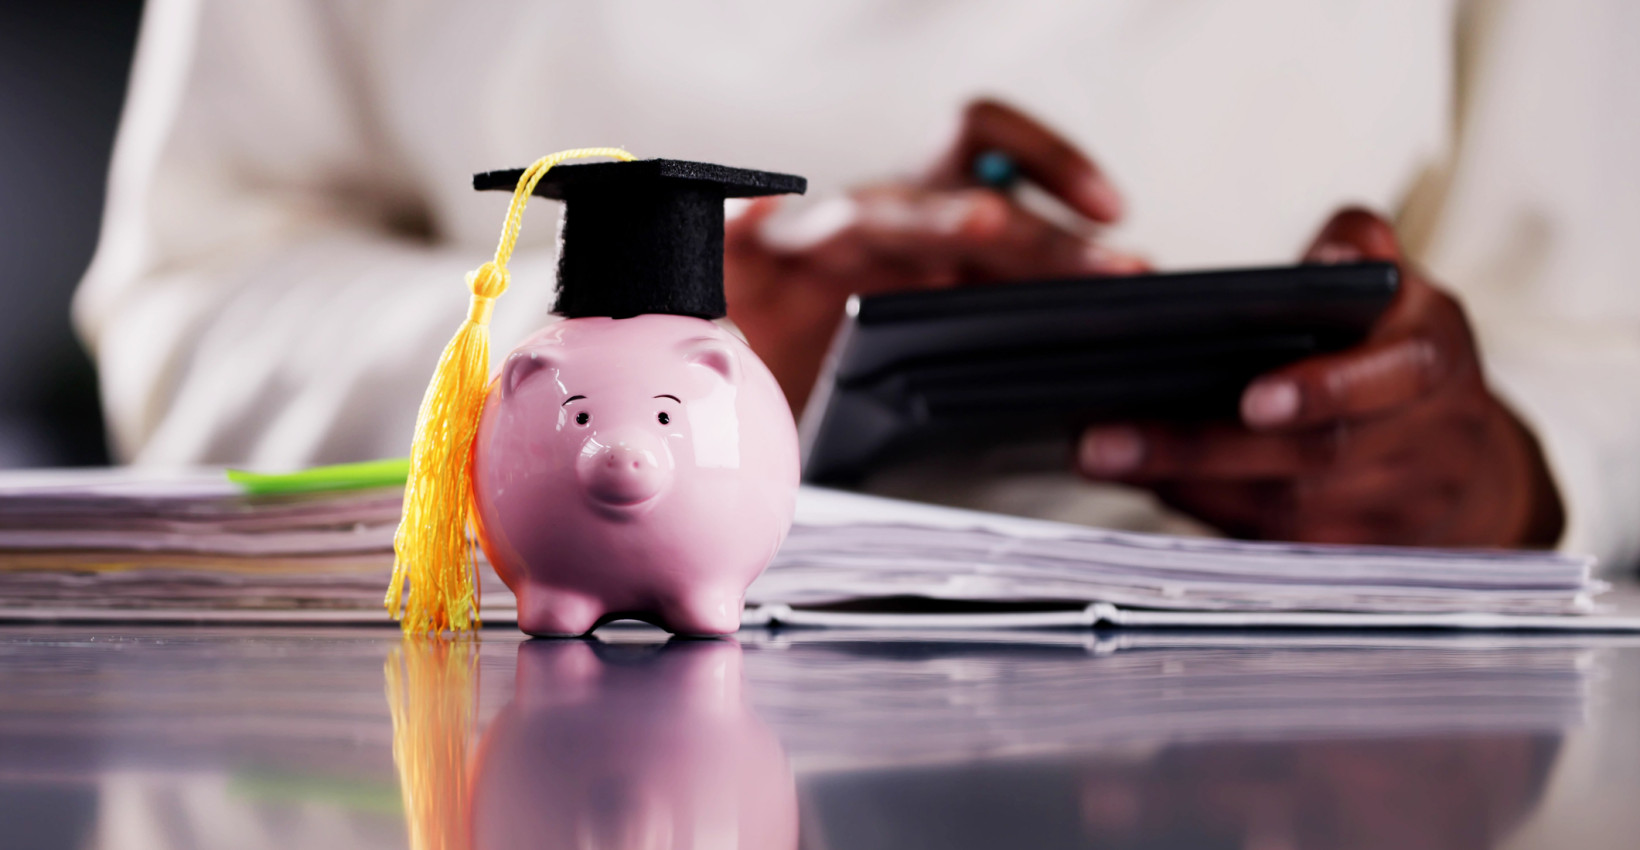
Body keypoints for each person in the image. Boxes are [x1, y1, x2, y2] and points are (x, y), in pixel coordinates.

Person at [76, 0, 1640, 570]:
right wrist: (654, 332)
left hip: (1331, 714)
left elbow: (1602, 339)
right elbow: (196, 294)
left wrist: (1507, 466)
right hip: (530, 683)